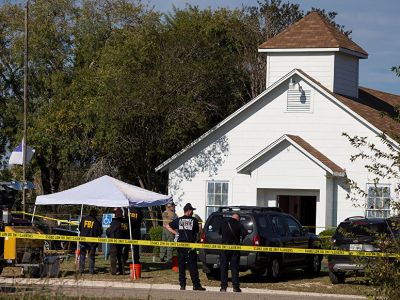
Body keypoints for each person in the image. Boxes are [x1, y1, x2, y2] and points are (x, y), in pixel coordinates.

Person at [166, 203, 206, 291]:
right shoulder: (194, 220)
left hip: (181, 245)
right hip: (190, 246)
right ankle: (196, 285)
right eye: (192, 210)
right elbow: (197, 232)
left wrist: (176, 233)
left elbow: (167, 226)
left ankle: (182, 285)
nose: (192, 212)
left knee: (181, 266)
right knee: (193, 267)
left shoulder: (179, 220)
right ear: (188, 211)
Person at [219, 213, 247, 293]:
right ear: (238, 218)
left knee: (223, 268)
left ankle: (223, 287)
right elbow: (244, 234)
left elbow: (219, 232)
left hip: (224, 248)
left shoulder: (224, 223)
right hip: (235, 248)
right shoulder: (239, 224)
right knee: (234, 268)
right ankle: (235, 287)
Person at [78, 208, 103, 274]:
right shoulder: (97, 222)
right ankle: (91, 271)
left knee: (82, 255)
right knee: (91, 256)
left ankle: (81, 270)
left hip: (83, 240)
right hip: (92, 242)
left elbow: (80, 228)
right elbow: (100, 232)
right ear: (95, 214)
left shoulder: (83, 219)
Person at [106, 208, 129, 275]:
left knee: (113, 256)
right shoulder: (125, 221)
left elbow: (110, 231)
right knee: (120, 256)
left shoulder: (115, 221)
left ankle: (113, 271)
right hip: (122, 241)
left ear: (117, 213)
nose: (114, 214)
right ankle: (122, 271)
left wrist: (108, 232)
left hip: (114, 242)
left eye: (114, 213)